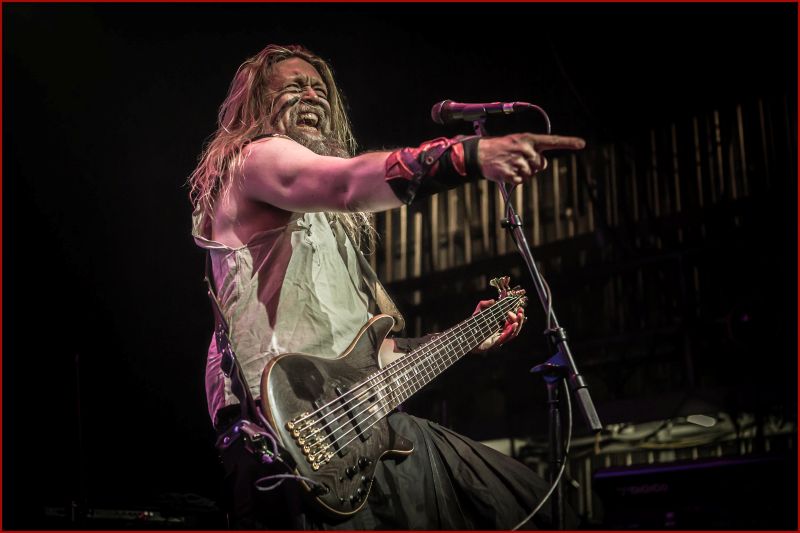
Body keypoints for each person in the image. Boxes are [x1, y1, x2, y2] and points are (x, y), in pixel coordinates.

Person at [189, 44, 585, 529]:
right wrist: (467, 155)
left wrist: (468, 337)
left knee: (530, 501)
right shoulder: (253, 159)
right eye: (294, 87)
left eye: (319, 89)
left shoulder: (330, 230)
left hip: (358, 436)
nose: (312, 96)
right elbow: (346, 185)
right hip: (287, 434)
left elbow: (377, 358)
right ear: (256, 104)